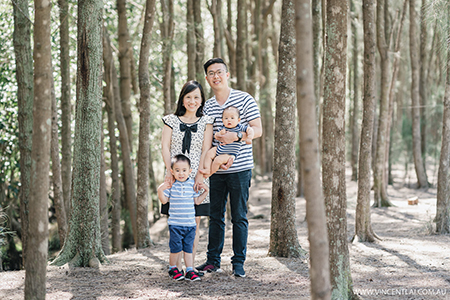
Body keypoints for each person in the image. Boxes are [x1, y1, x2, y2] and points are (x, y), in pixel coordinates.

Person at [196, 58, 262, 278]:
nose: (216, 76)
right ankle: (212, 261)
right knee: (215, 217)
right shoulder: (207, 106)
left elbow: (258, 129)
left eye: (219, 72)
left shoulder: (244, 99)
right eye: (211, 73)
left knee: (239, 216)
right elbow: (206, 139)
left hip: (240, 169)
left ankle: (238, 263)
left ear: (227, 74)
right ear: (207, 79)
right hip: (216, 172)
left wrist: (238, 135)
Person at [161, 80, 214, 273]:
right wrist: (169, 171)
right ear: (183, 100)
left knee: (195, 221)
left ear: (201, 100)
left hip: (197, 176)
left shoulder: (207, 122)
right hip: (175, 175)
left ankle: (190, 267)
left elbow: (206, 149)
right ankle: (176, 266)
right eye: (188, 97)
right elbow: (165, 147)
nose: (192, 101)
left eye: (196, 97)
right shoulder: (171, 120)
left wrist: (200, 174)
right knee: (176, 220)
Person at [157, 154, 209, 281]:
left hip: (190, 224)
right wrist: (160, 190)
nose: (181, 173)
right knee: (175, 249)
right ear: (172, 171)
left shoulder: (192, 184)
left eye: (184, 170)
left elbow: (196, 201)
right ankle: (172, 268)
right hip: (175, 224)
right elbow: (164, 201)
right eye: (177, 170)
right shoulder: (171, 185)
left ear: (190, 171)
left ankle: (190, 270)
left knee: (188, 249)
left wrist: (206, 191)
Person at [200, 106, 254, 177]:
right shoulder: (223, 128)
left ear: (238, 120)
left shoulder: (239, 127)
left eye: (232, 118)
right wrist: (219, 134)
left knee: (217, 160)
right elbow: (216, 136)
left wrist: (249, 138)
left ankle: (210, 173)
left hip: (229, 154)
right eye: (226, 118)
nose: (229, 120)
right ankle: (207, 168)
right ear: (222, 120)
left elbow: (250, 130)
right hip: (219, 149)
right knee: (209, 153)